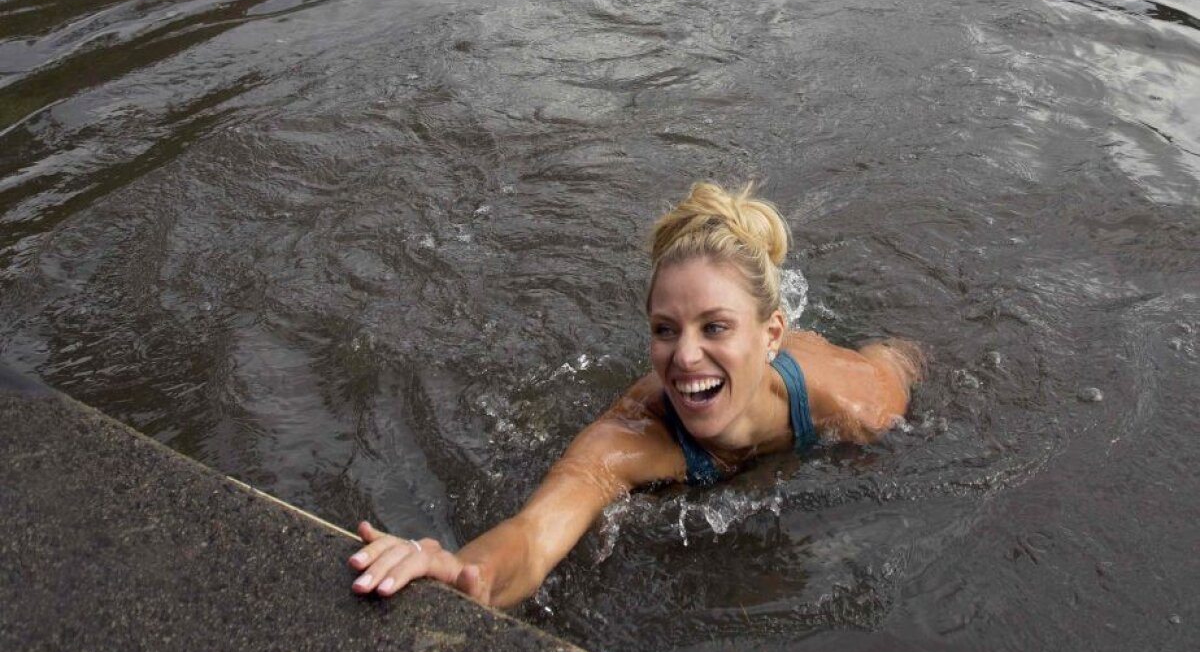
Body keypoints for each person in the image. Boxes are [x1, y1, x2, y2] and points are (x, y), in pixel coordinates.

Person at [349, 182, 923, 610]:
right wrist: (459, 569)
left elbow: (908, 360)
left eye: (715, 327)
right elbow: (535, 534)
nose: (685, 357)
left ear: (772, 334)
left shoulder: (852, 399)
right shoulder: (627, 439)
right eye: (665, 330)